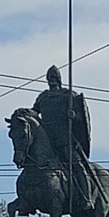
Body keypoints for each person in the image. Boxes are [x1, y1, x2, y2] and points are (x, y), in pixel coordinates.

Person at [33, 65, 93, 208]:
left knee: (77, 166)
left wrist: (74, 115)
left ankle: (87, 197)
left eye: (54, 77)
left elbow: (82, 117)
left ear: (59, 79)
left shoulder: (69, 95)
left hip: (65, 139)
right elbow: (34, 113)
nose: (51, 80)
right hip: (47, 140)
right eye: (49, 77)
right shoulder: (43, 97)